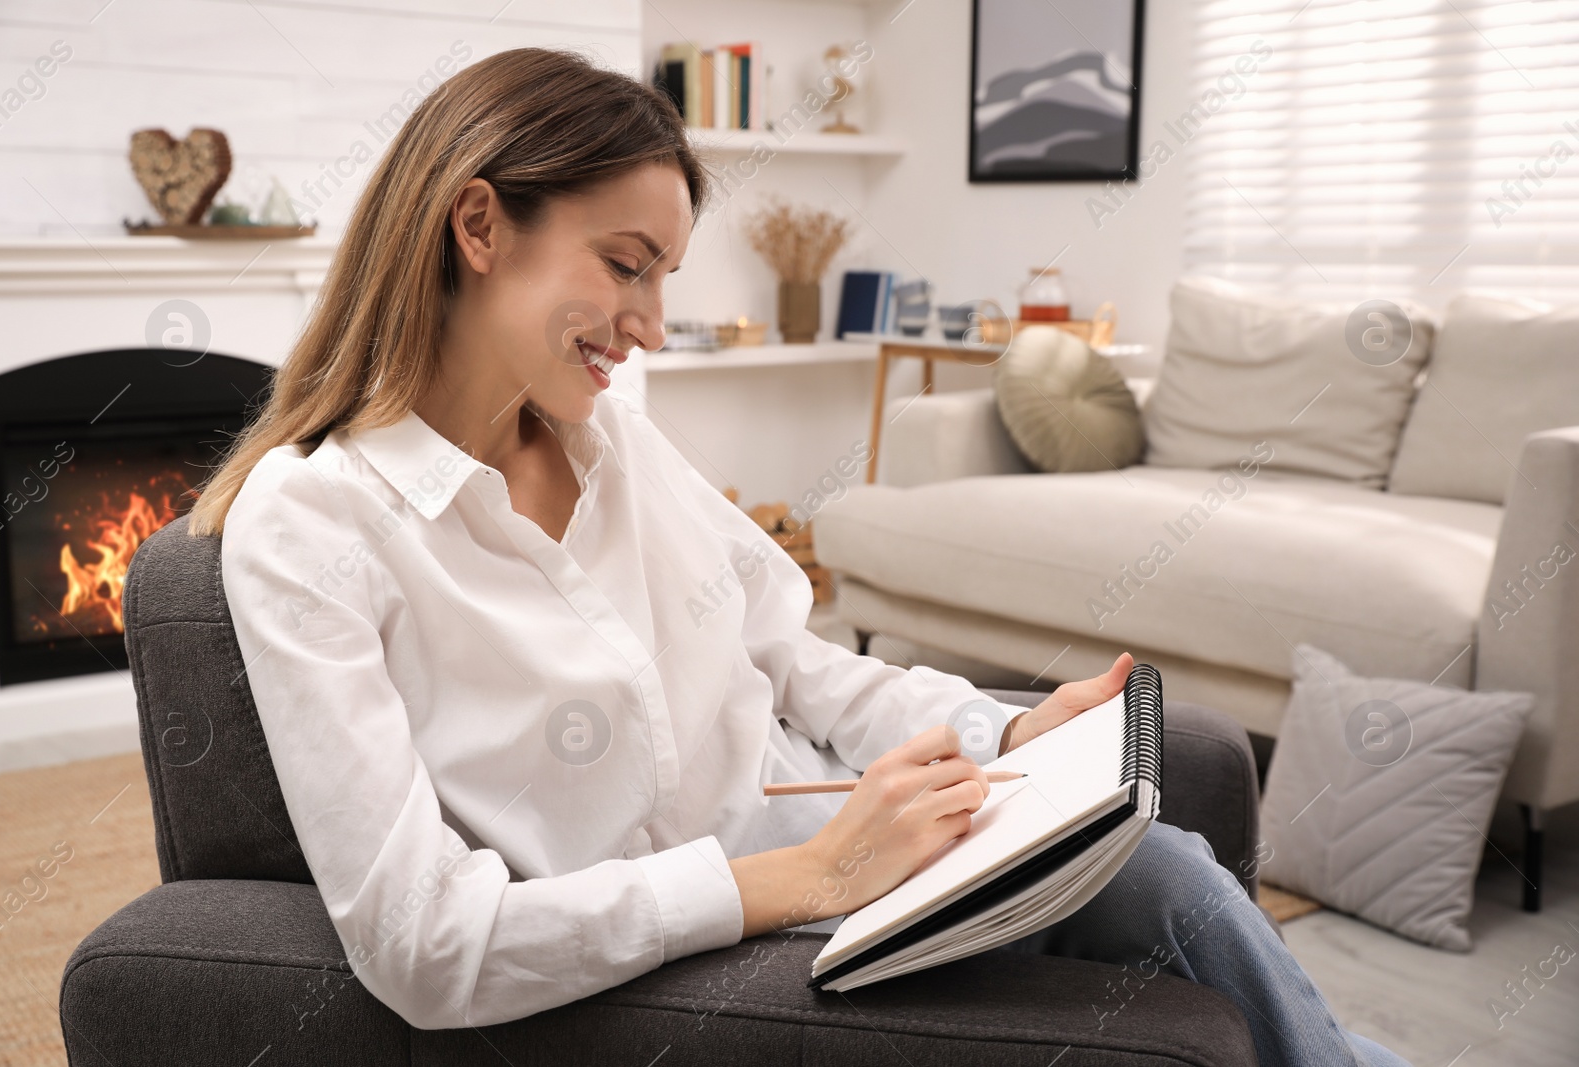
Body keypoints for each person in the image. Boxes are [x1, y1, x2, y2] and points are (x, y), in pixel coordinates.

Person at [190, 48, 1409, 1067]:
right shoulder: (313, 527)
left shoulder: (616, 443)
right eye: (624, 265)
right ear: (476, 225)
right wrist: (811, 876)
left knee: (1161, 868)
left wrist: (1002, 733)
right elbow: (422, 943)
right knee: (1166, 888)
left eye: (663, 278)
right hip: (737, 942)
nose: (651, 325)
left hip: (857, 863)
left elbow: (800, 665)